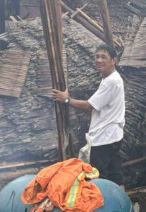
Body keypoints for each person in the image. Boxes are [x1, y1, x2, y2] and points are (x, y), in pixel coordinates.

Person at [52, 45, 125, 188]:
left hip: (105, 137)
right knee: (116, 175)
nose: (99, 60)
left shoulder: (111, 81)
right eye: (97, 56)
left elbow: (89, 106)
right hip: (112, 135)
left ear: (113, 60)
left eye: (103, 57)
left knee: (99, 178)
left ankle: (103, 206)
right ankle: (123, 206)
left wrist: (66, 100)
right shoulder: (110, 78)